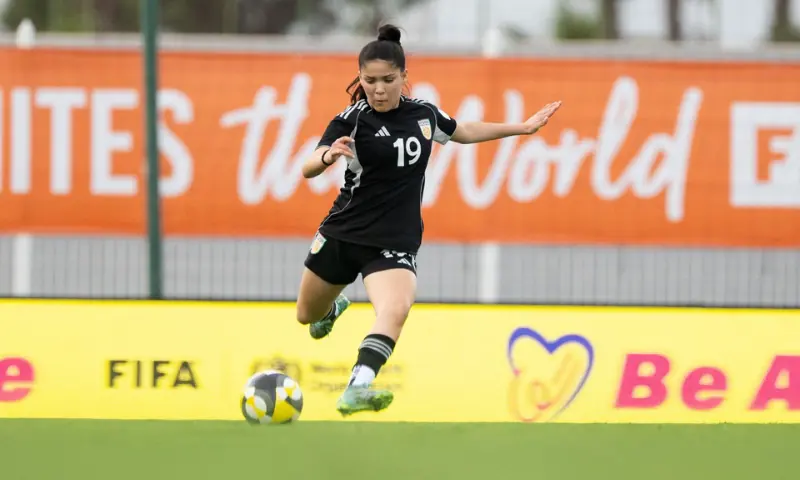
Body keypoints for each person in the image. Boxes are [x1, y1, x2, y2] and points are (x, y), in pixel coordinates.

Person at [296, 24, 562, 416]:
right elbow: (307, 167)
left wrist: (521, 127)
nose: (379, 89)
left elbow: (463, 130)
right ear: (360, 79)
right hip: (342, 233)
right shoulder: (350, 120)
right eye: (370, 81)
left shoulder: (423, 115)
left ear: (404, 77)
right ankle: (334, 308)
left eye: (388, 80)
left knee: (396, 308)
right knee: (307, 316)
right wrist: (328, 156)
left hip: (394, 241)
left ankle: (358, 385)